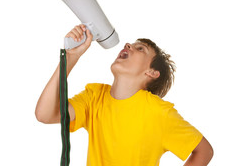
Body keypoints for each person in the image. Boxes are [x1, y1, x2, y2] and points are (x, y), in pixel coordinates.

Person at [35, 24, 213, 166]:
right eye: (130, 44)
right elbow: (44, 114)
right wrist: (70, 58)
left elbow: (203, 151)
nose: (128, 45)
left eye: (140, 48)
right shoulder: (94, 97)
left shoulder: (159, 113)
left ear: (152, 72)